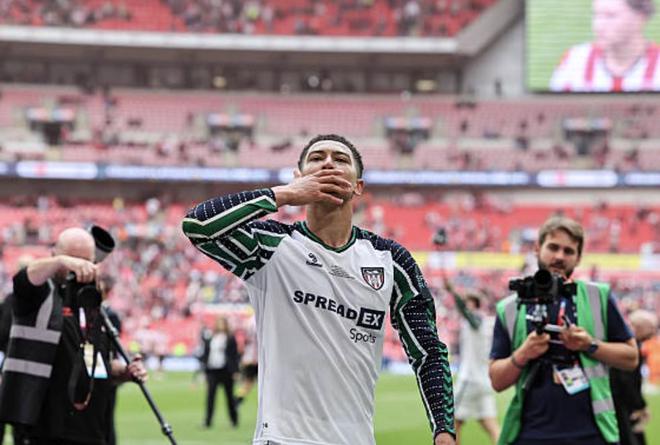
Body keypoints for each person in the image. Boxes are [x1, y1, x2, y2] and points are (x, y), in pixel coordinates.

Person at [182, 134, 455, 445]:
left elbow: (428, 350)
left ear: (358, 186)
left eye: (340, 159)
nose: (328, 163)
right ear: (299, 177)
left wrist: (443, 429)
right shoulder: (269, 246)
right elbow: (198, 225)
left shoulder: (391, 259)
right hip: (282, 439)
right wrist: (285, 194)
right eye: (316, 158)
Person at [489, 216, 639, 445]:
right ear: (537, 248)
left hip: (593, 434)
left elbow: (631, 358)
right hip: (530, 435)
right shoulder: (509, 308)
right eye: (553, 247)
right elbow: (497, 381)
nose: (559, 256)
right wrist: (523, 354)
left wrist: (590, 345)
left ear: (578, 258)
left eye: (569, 251)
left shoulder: (598, 296)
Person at [0, 227, 148, 445]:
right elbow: (23, 279)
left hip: (91, 428)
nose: (78, 266)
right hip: (44, 427)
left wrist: (123, 372)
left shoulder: (91, 303)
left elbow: (93, 362)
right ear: (54, 254)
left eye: (85, 261)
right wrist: (61, 262)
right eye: (71, 258)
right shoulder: (40, 294)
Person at [549, 0, 660, 92]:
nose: (598, 26)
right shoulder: (575, 60)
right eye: (596, 15)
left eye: (610, 16)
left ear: (639, 18)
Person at [443, 275, 500, 444]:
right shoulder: (487, 321)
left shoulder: (476, 320)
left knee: (452, 422)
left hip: (470, 379)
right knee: (490, 424)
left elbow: (464, 311)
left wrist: (452, 291)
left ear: (473, 303)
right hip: (483, 380)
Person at [611, 309, 658, 445]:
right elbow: (627, 380)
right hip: (622, 404)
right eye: (651, 328)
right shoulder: (630, 348)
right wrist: (639, 405)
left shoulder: (625, 345)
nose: (653, 332)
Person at [200, 316, 240, 429]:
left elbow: (234, 355)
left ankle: (234, 420)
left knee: (229, 397)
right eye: (219, 323)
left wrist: (236, 371)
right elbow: (206, 353)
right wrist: (205, 369)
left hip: (226, 370)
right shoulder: (211, 337)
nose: (220, 325)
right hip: (213, 370)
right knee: (210, 397)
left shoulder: (230, 338)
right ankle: (207, 421)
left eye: (222, 323)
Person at [235, 313, 258, 407]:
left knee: (248, 382)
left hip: (248, 357)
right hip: (255, 359)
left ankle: (238, 399)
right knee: (249, 382)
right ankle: (237, 400)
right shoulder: (256, 321)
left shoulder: (247, 322)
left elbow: (241, 343)